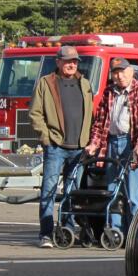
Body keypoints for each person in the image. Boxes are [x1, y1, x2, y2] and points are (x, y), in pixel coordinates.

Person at [29, 45, 93, 248]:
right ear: (58, 62)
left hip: (79, 148)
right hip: (56, 147)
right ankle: (46, 233)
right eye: (67, 61)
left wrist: (89, 141)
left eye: (74, 61)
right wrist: (47, 138)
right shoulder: (46, 83)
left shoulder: (85, 84)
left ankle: (67, 230)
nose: (71, 64)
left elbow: (91, 114)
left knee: (73, 192)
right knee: (48, 189)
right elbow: (35, 114)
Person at [87, 58, 138, 233]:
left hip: (133, 144)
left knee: (133, 195)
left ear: (131, 72)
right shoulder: (109, 91)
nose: (119, 76)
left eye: (123, 71)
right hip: (113, 143)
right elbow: (100, 122)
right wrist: (94, 144)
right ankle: (115, 231)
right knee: (113, 190)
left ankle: (136, 234)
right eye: (116, 72)